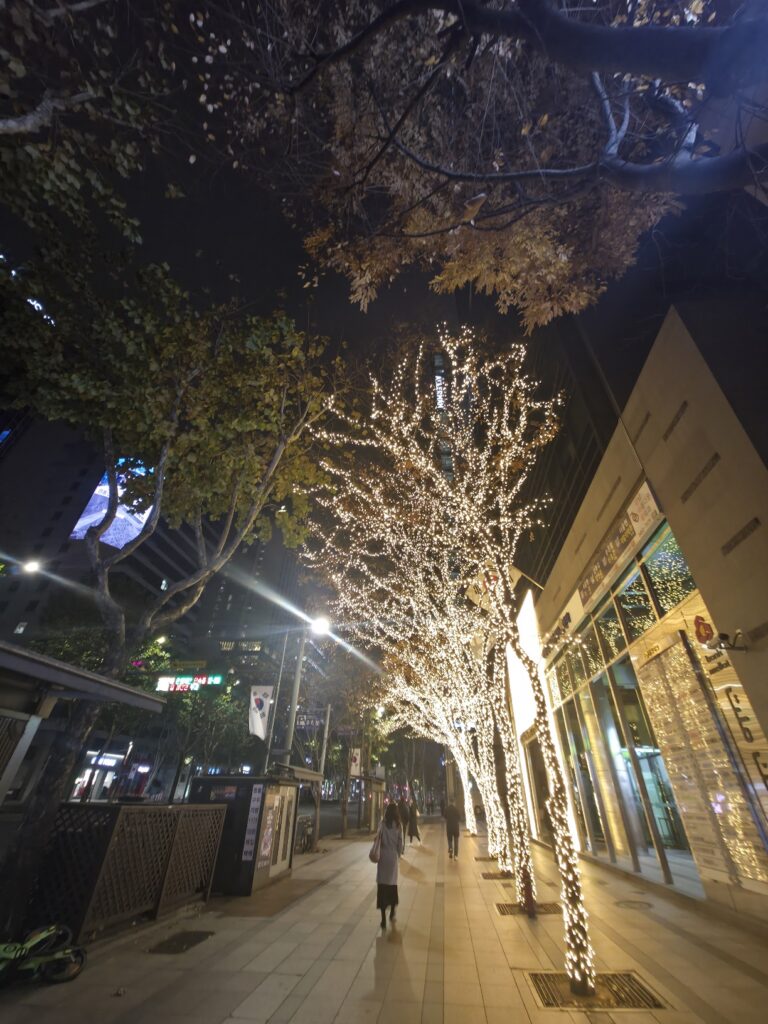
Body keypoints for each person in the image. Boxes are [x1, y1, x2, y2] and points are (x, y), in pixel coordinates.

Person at [376, 803, 404, 928]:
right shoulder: (398, 826)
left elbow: (378, 838)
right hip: (392, 857)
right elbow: (400, 843)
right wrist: (398, 854)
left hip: (382, 857)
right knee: (392, 885)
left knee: (382, 886)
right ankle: (392, 911)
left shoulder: (382, 824)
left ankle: (383, 919)